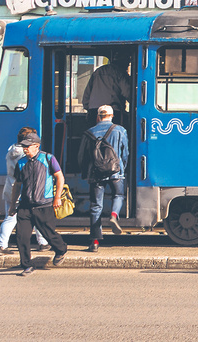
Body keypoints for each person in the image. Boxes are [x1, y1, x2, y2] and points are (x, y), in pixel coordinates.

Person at [10, 132, 68, 276]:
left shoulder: (48, 158)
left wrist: (57, 197)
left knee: (49, 234)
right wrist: (13, 205)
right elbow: (17, 185)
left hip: (44, 205)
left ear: (36, 146)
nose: (25, 149)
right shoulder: (21, 163)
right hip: (25, 206)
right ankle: (27, 265)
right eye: (23, 146)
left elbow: (60, 177)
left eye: (27, 146)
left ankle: (61, 249)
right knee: (21, 237)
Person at [78, 105, 130, 251]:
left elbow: (82, 156)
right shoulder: (120, 130)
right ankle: (114, 215)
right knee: (118, 195)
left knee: (96, 206)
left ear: (98, 117)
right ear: (112, 116)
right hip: (115, 172)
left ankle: (94, 242)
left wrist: (85, 172)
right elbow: (125, 153)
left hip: (96, 173)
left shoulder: (89, 132)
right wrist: (122, 167)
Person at [0, 127, 45, 255]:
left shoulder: (10, 150)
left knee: (10, 218)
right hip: (25, 189)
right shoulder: (26, 154)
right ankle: (43, 242)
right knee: (37, 216)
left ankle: (1, 246)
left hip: (10, 187)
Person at [83, 52, 132, 125]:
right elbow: (127, 93)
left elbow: (86, 96)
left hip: (94, 111)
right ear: (123, 62)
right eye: (128, 62)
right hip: (112, 112)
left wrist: (90, 109)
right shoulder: (120, 73)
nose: (128, 65)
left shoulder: (98, 71)